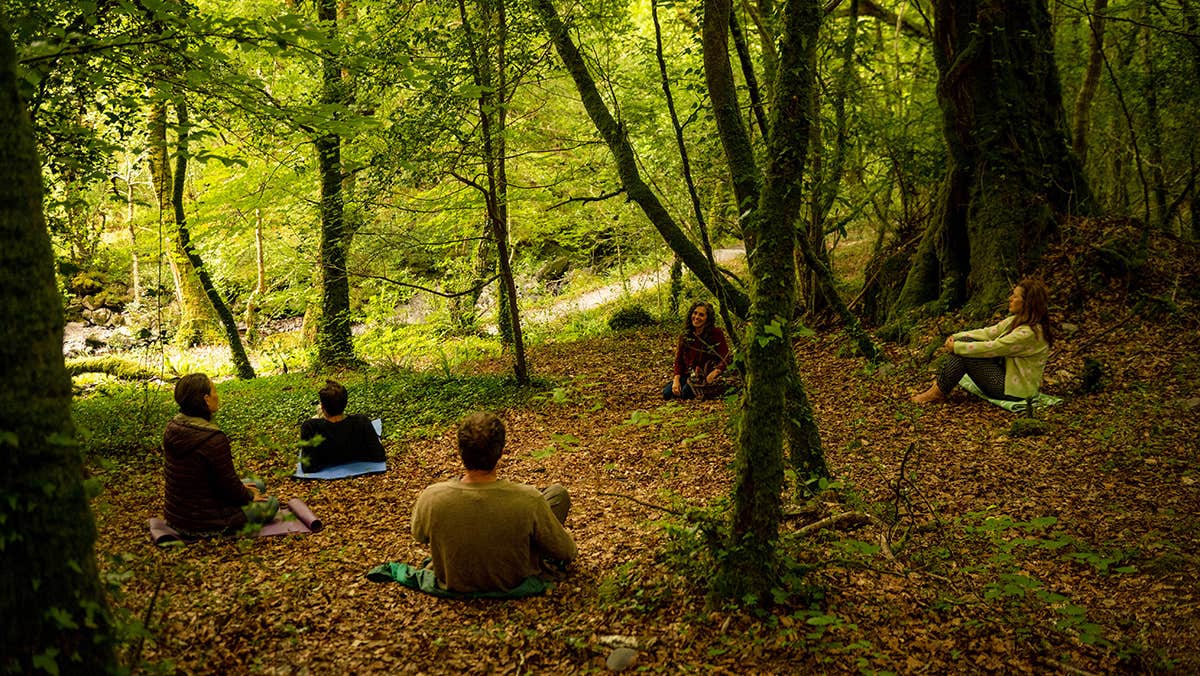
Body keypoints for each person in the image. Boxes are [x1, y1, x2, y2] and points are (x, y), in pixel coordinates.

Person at [410, 412, 577, 593]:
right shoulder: (529, 499)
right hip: (515, 578)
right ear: (501, 451)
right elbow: (567, 552)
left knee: (553, 495)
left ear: (460, 451)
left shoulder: (432, 497)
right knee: (556, 496)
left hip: (453, 579)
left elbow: (419, 535)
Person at [163, 373, 278, 534]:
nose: (217, 395)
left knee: (257, 484)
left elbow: (217, 479)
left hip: (176, 514)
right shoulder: (212, 438)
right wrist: (248, 496)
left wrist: (244, 489)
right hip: (203, 520)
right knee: (272, 503)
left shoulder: (173, 427)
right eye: (214, 391)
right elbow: (228, 485)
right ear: (206, 399)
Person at [912, 278, 1054, 404]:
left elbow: (994, 347)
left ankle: (937, 391)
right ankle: (938, 389)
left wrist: (957, 347)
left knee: (965, 351)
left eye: (1015, 296)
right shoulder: (1016, 321)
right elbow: (988, 333)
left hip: (1016, 392)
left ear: (1027, 303)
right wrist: (956, 337)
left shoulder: (1029, 334)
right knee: (965, 344)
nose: (1010, 298)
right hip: (1007, 380)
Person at [299, 379, 386, 472]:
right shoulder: (361, 422)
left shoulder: (310, 427)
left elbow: (308, 467)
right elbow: (379, 455)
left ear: (323, 407)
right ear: (345, 403)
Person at [663, 300, 730, 400]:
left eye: (701, 315)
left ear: (707, 318)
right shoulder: (686, 334)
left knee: (685, 393)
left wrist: (715, 372)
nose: (697, 317)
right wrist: (676, 380)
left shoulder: (716, 333)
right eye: (695, 313)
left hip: (705, 376)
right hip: (688, 374)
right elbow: (679, 360)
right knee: (667, 393)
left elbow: (726, 357)